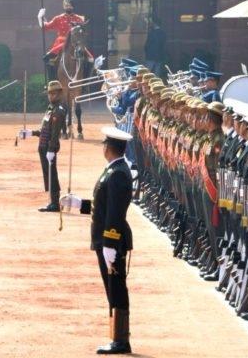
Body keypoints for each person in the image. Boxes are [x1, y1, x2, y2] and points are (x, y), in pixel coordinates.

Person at [91, 126, 134, 355]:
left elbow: (115, 214)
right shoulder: (114, 170)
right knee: (113, 288)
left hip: (112, 241)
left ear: (109, 148)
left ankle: (120, 340)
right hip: (107, 239)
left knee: (116, 289)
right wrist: (81, 205)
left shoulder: (117, 173)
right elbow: (104, 207)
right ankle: (117, 336)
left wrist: (109, 243)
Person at [39, 0, 95, 81]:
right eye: (66, 5)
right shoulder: (58, 18)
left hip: (76, 43)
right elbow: (46, 27)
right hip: (61, 43)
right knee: (48, 58)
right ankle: (53, 82)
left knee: (91, 60)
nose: (68, 6)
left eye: (69, 5)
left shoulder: (80, 18)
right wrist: (40, 17)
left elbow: (84, 32)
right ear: (63, 6)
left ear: (73, 6)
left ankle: (85, 81)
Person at [30, 81, 67, 212]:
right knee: (48, 174)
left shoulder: (58, 110)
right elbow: (45, 129)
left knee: (52, 174)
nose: (51, 96)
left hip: (49, 147)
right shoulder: (50, 108)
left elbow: (55, 133)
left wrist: (51, 149)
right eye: (49, 94)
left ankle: (54, 203)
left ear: (59, 94)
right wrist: (32, 133)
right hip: (43, 145)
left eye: (54, 93)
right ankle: (53, 201)